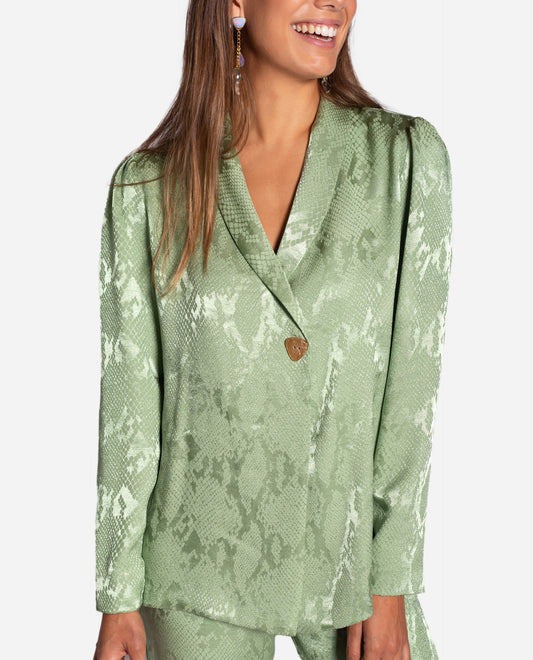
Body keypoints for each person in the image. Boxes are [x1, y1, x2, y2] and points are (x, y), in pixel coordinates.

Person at [93, 0, 452, 658]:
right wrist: (117, 595)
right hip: (192, 570)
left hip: (350, 567)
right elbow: (131, 409)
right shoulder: (149, 188)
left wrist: (390, 582)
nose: (333, 3)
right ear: (235, 3)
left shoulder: (401, 159)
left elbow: (412, 390)